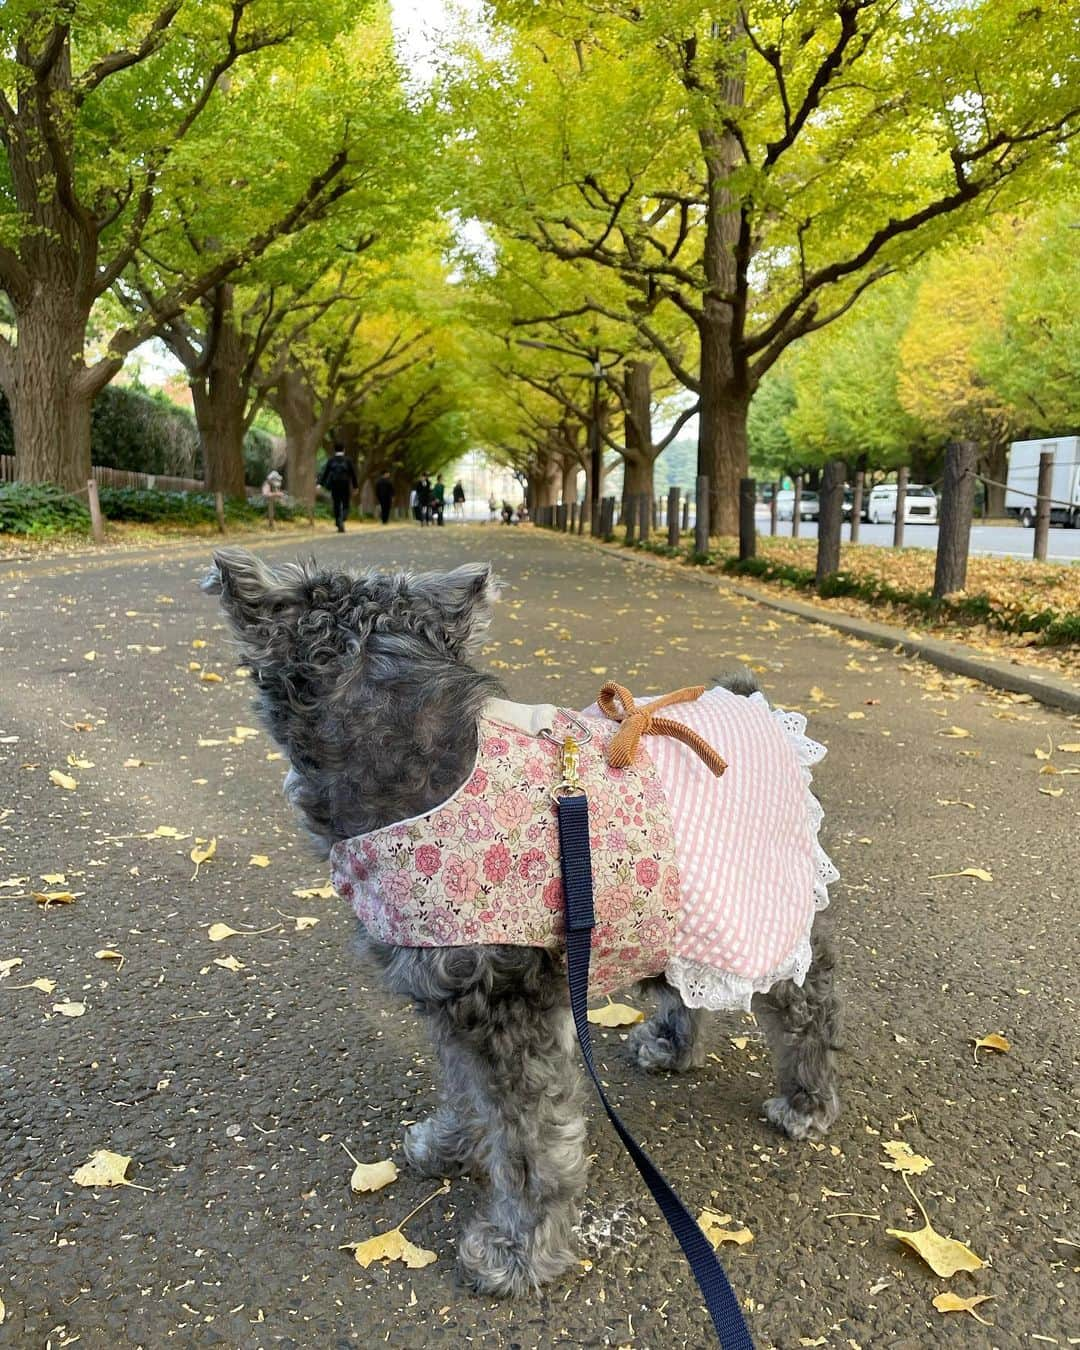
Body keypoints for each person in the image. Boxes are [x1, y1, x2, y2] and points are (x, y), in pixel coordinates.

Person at [319, 443, 358, 532]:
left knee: (336, 503)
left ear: (334, 450)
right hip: (345, 485)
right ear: (343, 449)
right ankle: (342, 518)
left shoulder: (331, 460)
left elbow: (325, 473)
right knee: (346, 504)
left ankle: (337, 520)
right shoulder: (348, 460)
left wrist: (320, 484)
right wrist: (355, 486)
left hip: (334, 485)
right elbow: (353, 474)